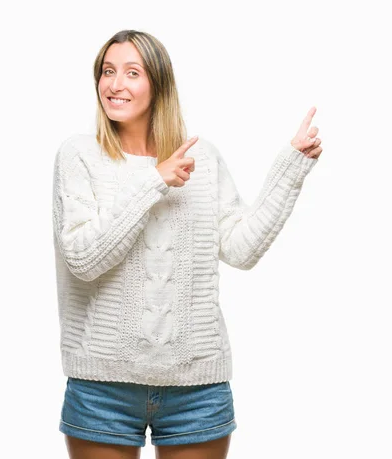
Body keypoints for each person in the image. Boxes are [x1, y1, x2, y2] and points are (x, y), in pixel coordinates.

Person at [52, 29, 322, 459]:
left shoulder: (203, 158)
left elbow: (241, 249)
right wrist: (155, 181)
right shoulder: (80, 155)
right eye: (107, 71)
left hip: (197, 389)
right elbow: (83, 258)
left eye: (132, 72)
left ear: (158, 84)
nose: (115, 84)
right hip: (102, 386)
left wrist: (292, 168)